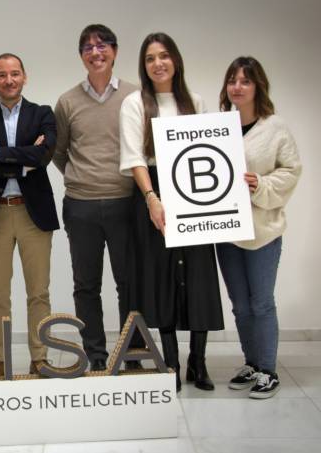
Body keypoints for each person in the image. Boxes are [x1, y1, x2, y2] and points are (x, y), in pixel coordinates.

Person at [119, 33, 224, 391]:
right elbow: (134, 156)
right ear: (143, 66)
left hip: (194, 194)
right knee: (161, 280)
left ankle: (199, 362)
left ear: (175, 60)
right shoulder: (134, 103)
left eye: (163, 56)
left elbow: (207, 151)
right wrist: (152, 198)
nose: (158, 63)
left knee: (198, 278)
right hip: (154, 191)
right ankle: (171, 364)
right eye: (150, 58)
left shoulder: (195, 101)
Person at [53, 24, 144, 372]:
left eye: (102, 45)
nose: (96, 52)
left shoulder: (135, 96)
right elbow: (59, 151)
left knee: (129, 283)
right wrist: (83, 176)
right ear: (81, 56)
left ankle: (132, 353)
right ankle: (97, 356)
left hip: (126, 202)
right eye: (88, 48)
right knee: (86, 286)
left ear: (115, 51)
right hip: (81, 206)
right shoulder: (67, 101)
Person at [216, 56, 301, 399]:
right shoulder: (218, 126)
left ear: (258, 86)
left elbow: (291, 170)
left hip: (263, 231)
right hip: (226, 231)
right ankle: (251, 363)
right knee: (240, 304)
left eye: (245, 81)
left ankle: (268, 370)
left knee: (261, 302)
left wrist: (261, 184)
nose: (237, 87)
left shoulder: (275, 127)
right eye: (232, 80)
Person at [0, 53, 58, 377]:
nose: (9, 80)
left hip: (34, 215)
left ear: (24, 76)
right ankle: (0, 358)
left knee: (39, 292)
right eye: (2, 75)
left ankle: (40, 358)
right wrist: (23, 162)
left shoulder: (42, 113)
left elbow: (43, 155)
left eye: (15, 73)